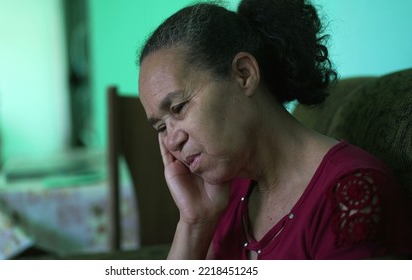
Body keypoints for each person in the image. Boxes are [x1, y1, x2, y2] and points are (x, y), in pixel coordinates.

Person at [137, 0, 412, 259]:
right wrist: (195, 222)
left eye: (178, 108)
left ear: (244, 74)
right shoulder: (225, 194)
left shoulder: (352, 197)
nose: (172, 141)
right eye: (161, 127)